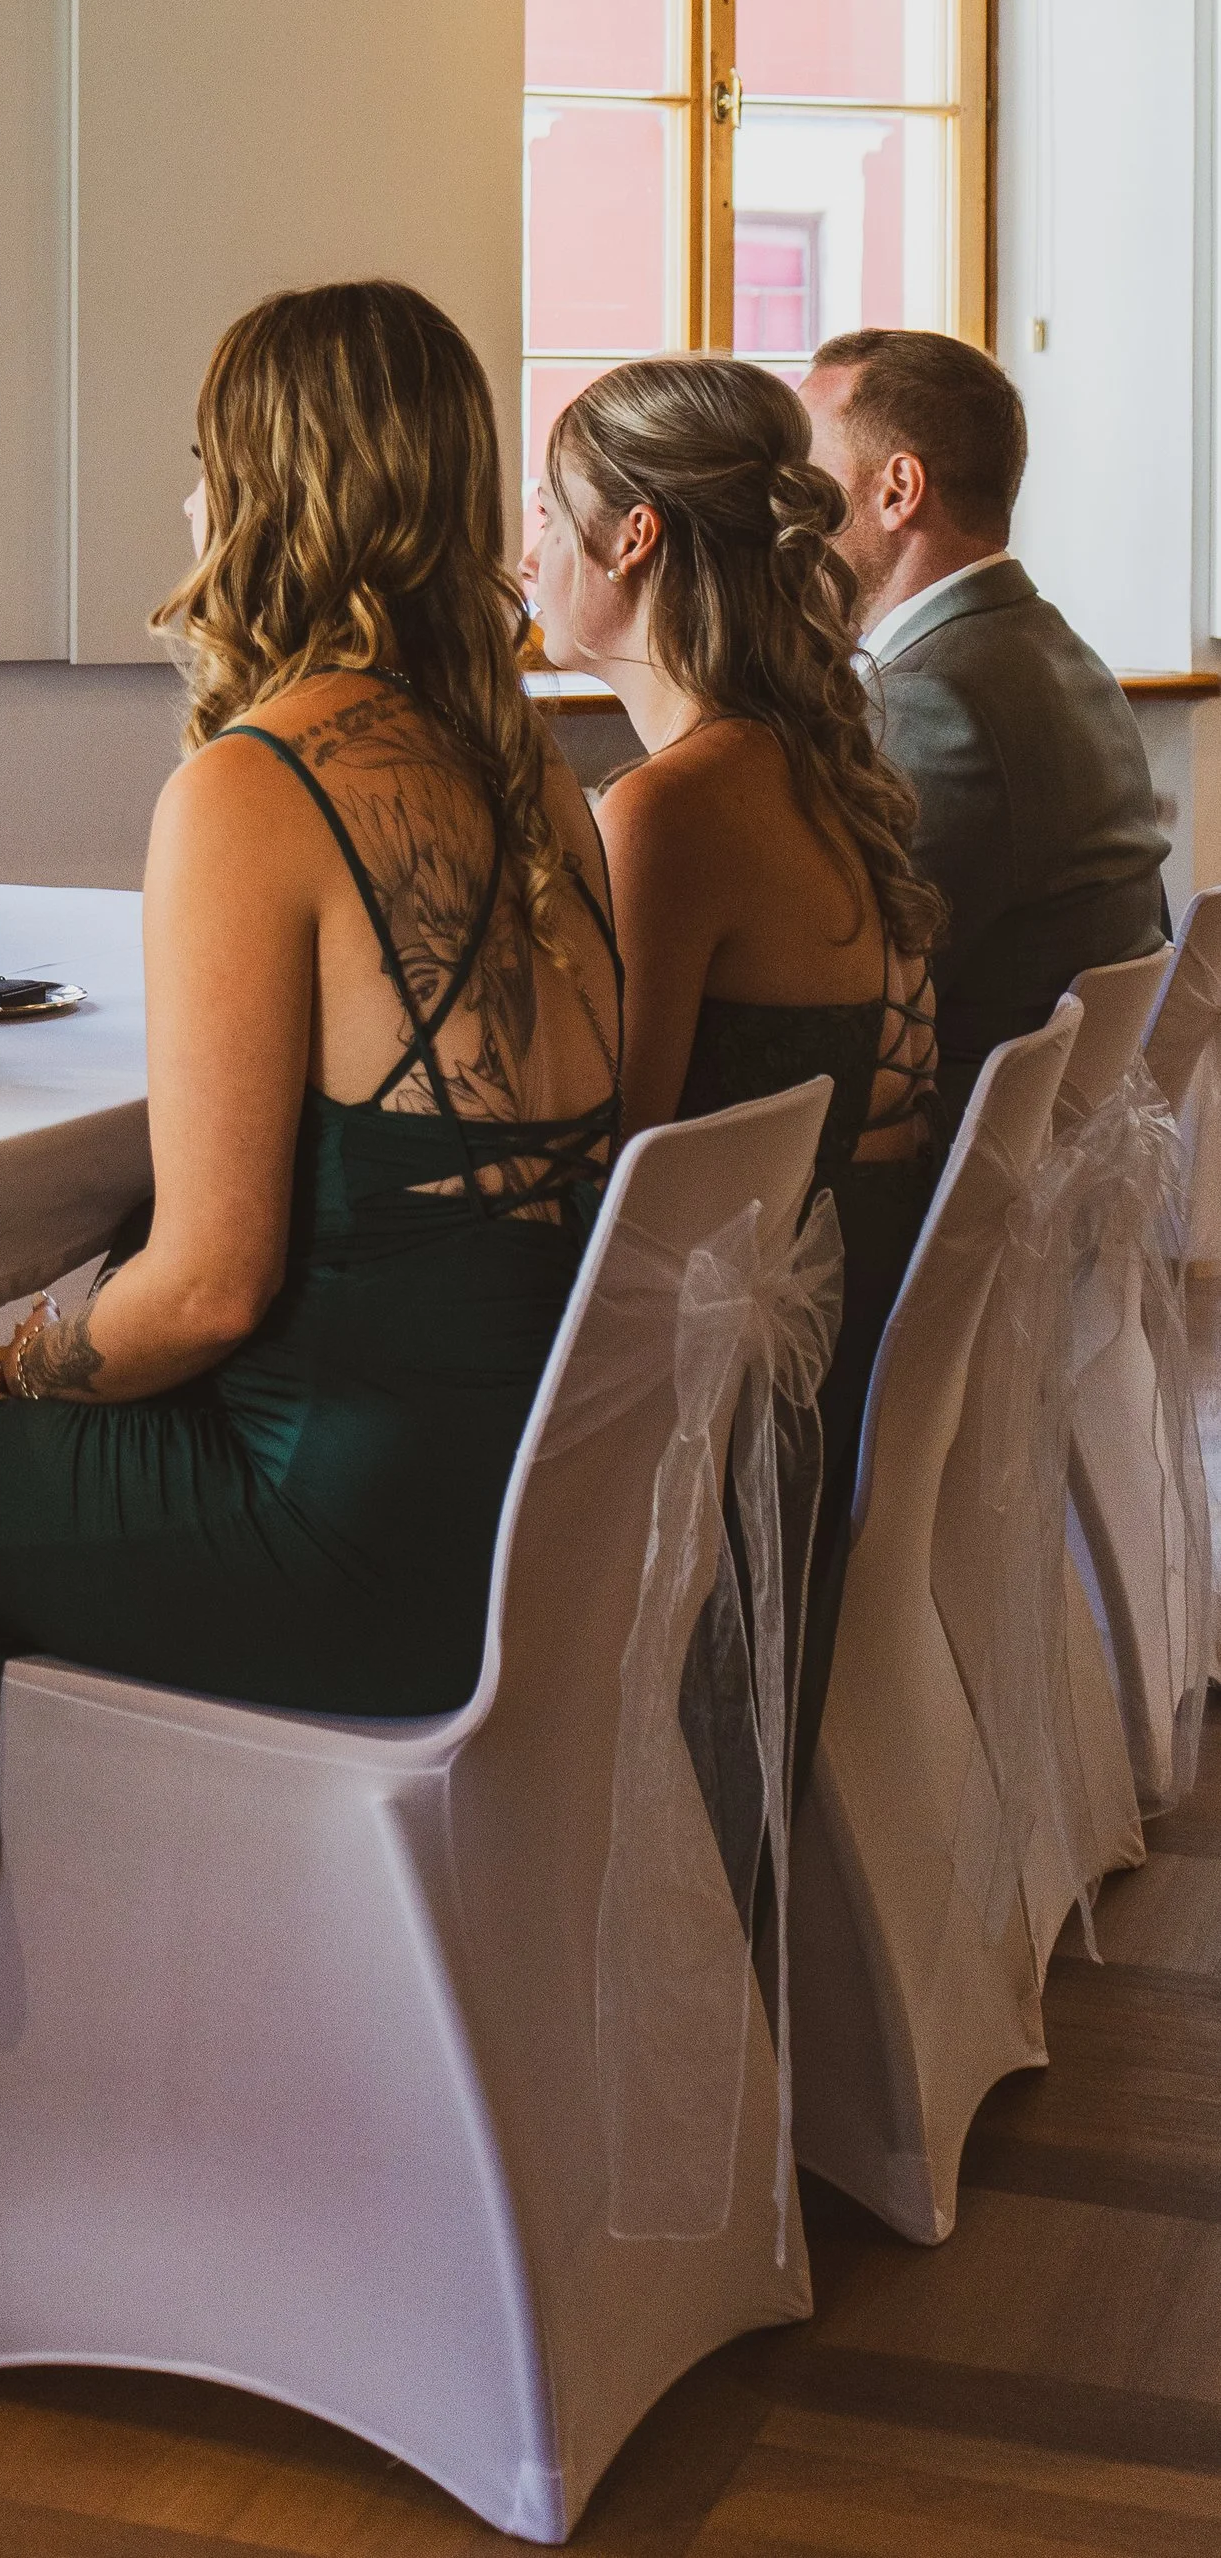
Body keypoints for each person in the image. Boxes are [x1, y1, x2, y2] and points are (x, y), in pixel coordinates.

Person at [0, 280, 623, 2354]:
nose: (186, 488)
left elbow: (202, 1291)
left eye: (207, 450)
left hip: (332, 1528)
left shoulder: (258, 785)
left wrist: (2, 1353)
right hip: (510, 1510)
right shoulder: (545, 787)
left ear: (270, 489)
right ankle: (9, 2053)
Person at [526, 352, 940, 1783]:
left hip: (701, 1438)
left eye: (544, 503)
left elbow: (607, 1172)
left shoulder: (667, 812)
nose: (523, 543)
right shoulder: (806, 768)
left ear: (632, 538)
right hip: (807, 1401)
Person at [798, 327, 1168, 1143]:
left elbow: (852, 1007)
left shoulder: (936, 700)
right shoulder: (1051, 647)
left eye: (805, 478)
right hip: (1052, 1161)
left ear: (898, 490)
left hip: (942, 1172)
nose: (785, 518)